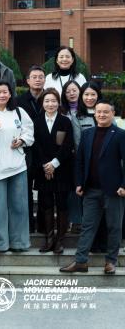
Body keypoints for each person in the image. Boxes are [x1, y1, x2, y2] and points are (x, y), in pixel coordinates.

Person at [60, 100, 125, 275]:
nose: (101, 115)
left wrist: (123, 185)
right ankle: (81, 261)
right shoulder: (87, 134)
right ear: (94, 114)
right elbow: (80, 160)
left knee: (114, 227)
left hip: (114, 191)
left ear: (113, 114)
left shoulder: (120, 135)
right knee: (87, 226)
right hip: (90, 190)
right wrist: (79, 183)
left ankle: (111, 262)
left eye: (106, 112)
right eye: (98, 112)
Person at [0, 80, 34, 252]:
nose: (2, 95)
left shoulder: (19, 112)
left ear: (10, 94)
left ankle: (19, 242)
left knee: (19, 207)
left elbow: (29, 132)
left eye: (5, 92)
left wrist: (21, 140)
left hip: (18, 166)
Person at [33, 88, 74, 254]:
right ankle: (49, 239)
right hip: (43, 170)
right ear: (42, 103)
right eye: (47, 101)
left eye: (54, 101)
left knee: (62, 204)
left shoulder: (65, 121)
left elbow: (68, 145)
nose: (50, 104)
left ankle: (60, 240)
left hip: (62, 169)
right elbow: (36, 146)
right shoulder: (36, 122)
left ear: (58, 102)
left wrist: (54, 164)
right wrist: (46, 165)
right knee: (46, 204)